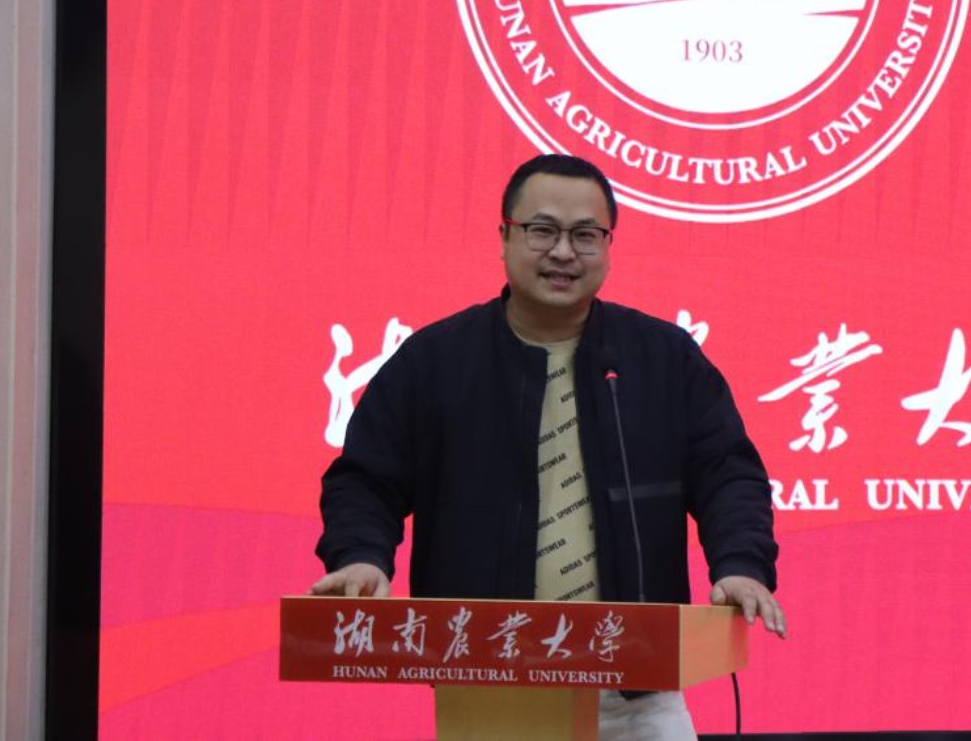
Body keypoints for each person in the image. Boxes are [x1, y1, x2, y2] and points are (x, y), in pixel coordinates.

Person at [313, 154, 783, 738]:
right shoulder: (437, 362)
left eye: (585, 235)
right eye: (542, 231)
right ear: (504, 237)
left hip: (637, 689)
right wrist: (361, 556)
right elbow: (365, 480)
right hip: (489, 685)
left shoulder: (662, 358)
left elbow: (728, 473)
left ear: (608, 246)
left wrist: (740, 564)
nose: (563, 252)